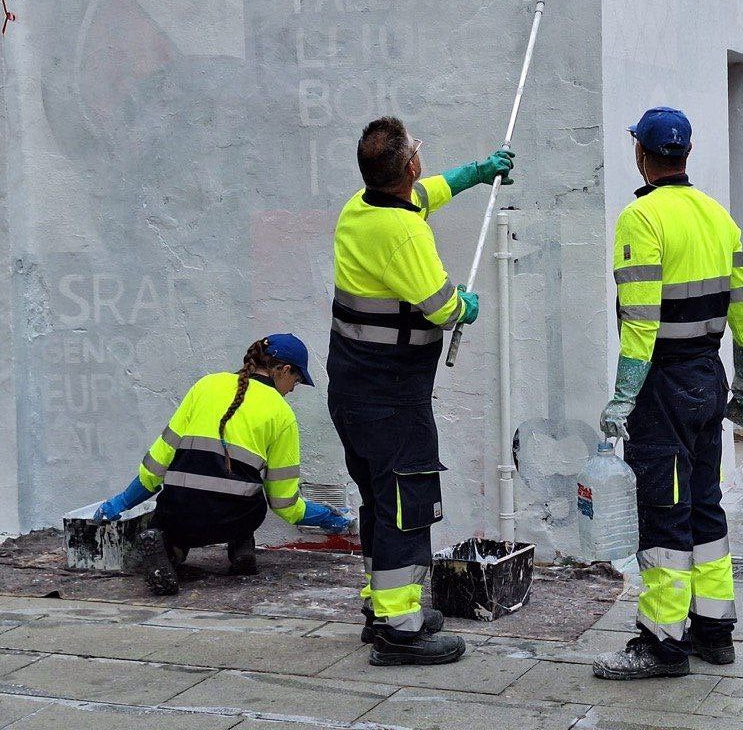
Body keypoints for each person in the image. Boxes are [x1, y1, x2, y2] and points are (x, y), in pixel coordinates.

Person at [328, 116, 513, 667]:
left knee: (379, 502)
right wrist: (465, 306)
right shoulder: (404, 235)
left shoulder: (360, 210)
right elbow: (442, 306)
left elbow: (423, 196)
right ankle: (401, 630)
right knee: (405, 506)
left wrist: (477, 174)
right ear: (409, 164)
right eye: (417, 153)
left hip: (354, 388)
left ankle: (381, 608)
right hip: (393, 395)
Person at [593, 106, 743, 681]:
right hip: (707, 377)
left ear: (641, 153)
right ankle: (714, 630)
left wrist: (623, 396)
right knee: (703, 502)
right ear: (684, 154)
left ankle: (661, 642)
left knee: (663, 512)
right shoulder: (719, 217)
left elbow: (640, 319)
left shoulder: (640, 219)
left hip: (662, 386)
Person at [96, 334, 352, 596]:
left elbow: (155, 467)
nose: (293, 389)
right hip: (234, 519)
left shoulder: (206, 386)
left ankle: (170, 550)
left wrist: (120, 503)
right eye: (296, 380)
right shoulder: (282, 414)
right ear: (284, 370)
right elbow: (283, 503)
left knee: (168, 518)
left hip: (179, 514)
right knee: (252, 499)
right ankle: (241, 549)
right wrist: (325, 517)